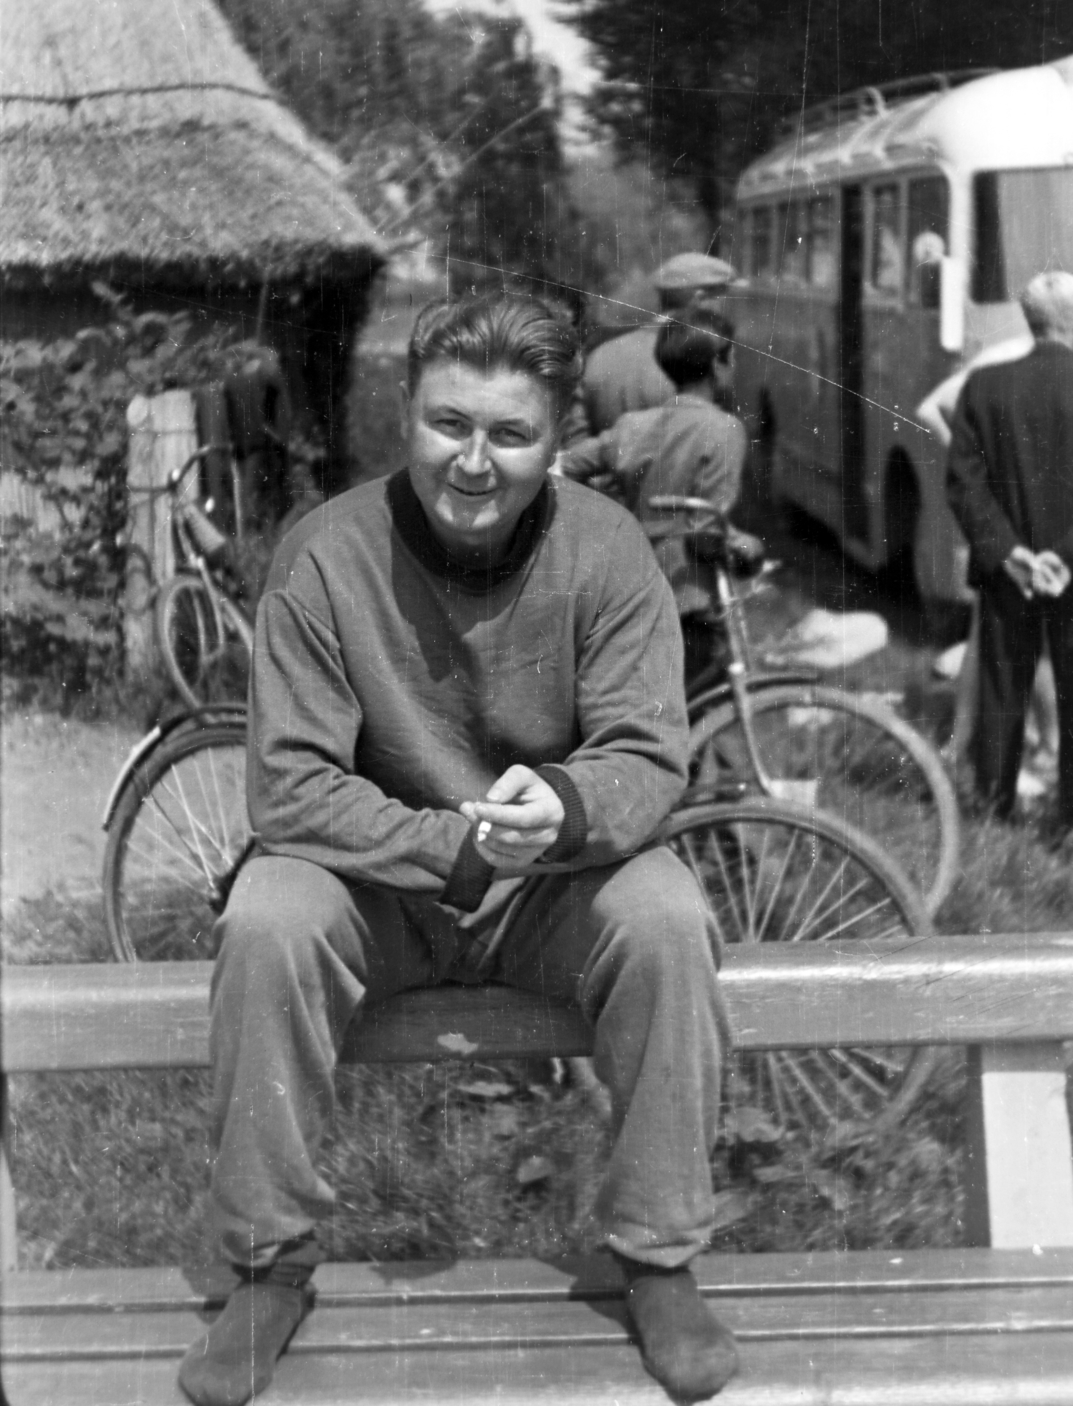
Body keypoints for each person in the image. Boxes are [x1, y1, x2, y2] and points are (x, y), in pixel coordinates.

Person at [178, 295, 738, 1406]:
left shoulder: (609, 548)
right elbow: (288, 787)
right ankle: (267, 1263)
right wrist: (461, 845)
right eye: (447, 424)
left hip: (547, 887)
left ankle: (656, 1254)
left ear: (556, 439)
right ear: (405, 415)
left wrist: (571, 807)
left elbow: (646, 752)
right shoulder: (324, 552)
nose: (473, 462)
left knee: (667, 915)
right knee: (266, 917)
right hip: (375, 888)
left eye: (510, 434)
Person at [561, 311, 748, 689]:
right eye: (733, 355)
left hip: (631, 586)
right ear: (718, 363)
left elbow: (563, 466)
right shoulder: (724, 430)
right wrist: (747, 545)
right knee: (696, 704)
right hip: (690, 594)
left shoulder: (634, 426)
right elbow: (705, 532)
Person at [946, 270, 1073, 828]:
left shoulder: (984, 386)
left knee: (1002, 689)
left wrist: (1010, 552)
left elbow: (963, 483)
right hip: (1070, 568)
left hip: (1007, 570)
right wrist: (1061, 557)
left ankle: (992, 814)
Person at [571, 252, 736, 439]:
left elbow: (576, 436)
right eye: (724, 300)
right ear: (700, 300)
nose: (728, 311)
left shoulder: (601, 355)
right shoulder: (702, 363)